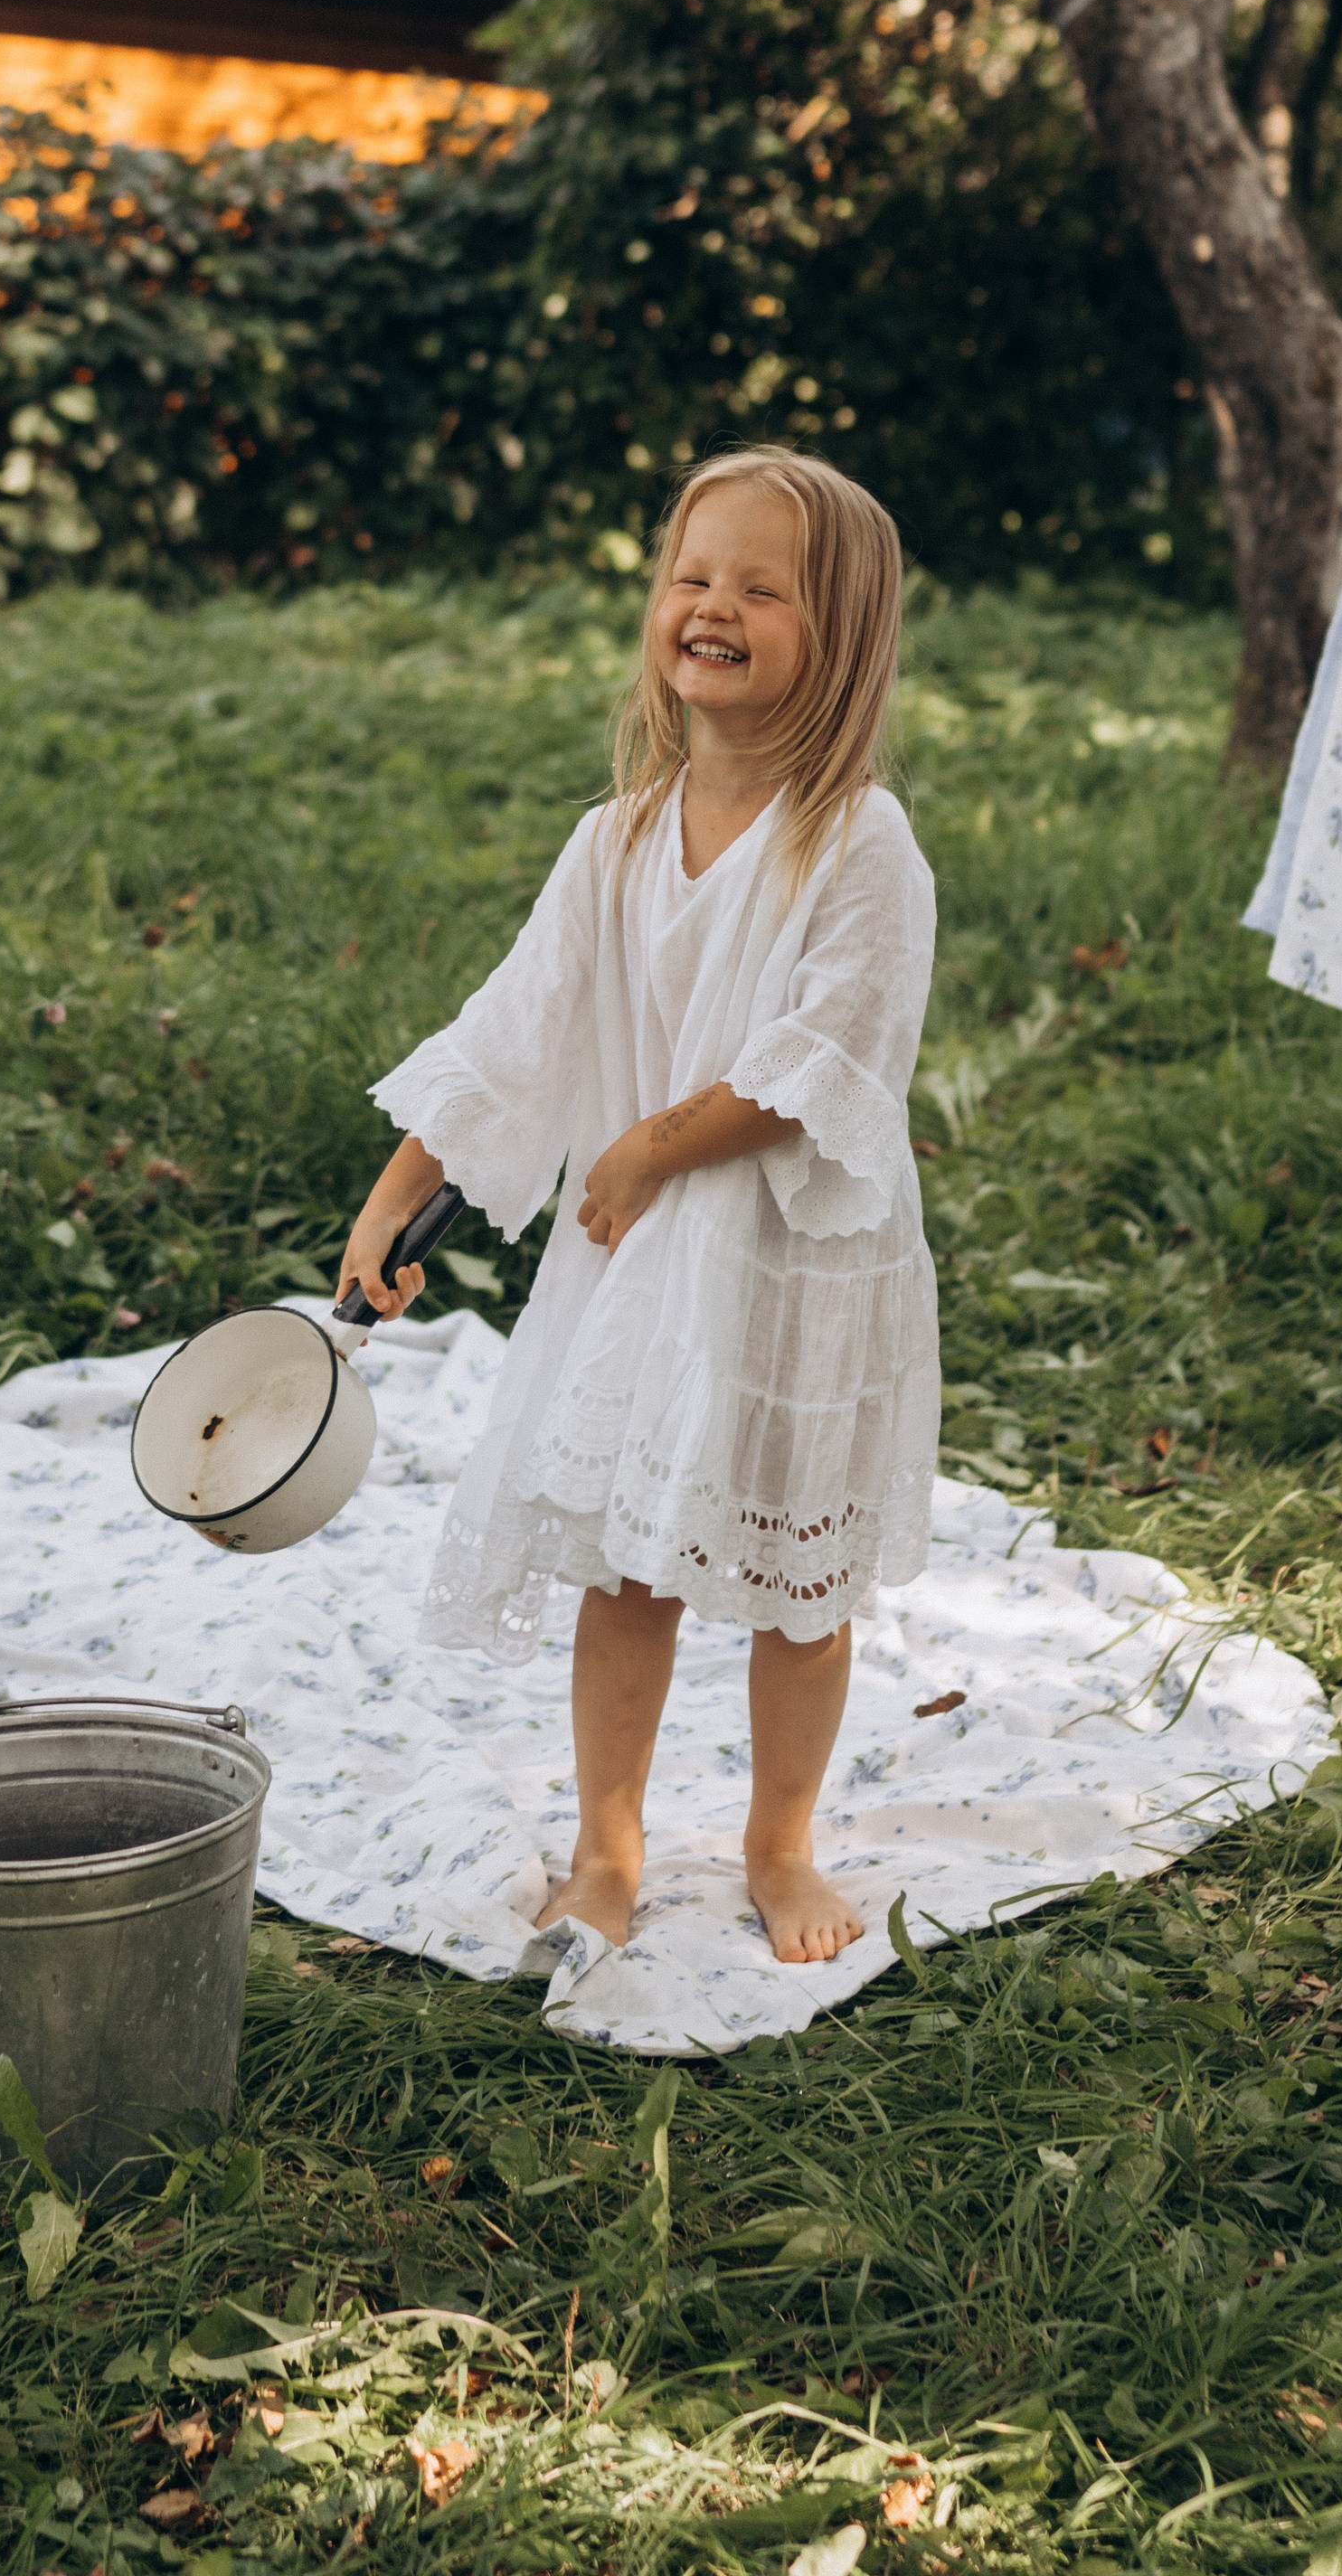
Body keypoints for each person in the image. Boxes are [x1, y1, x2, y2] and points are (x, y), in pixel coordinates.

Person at [336, 447, 940, 1968]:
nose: (711, 606)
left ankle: (778, 1845)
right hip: (638, 1273)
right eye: (689, 576)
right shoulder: (612, 843)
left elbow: (826, 1060)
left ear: (839, 634)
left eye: (758, 586)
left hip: (792, 1272)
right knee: (621, 1562)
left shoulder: (856, 843)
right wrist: (403, 1185)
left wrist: (651, 1147)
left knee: (793, 1581)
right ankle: (609, 1845)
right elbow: (513, 1029)